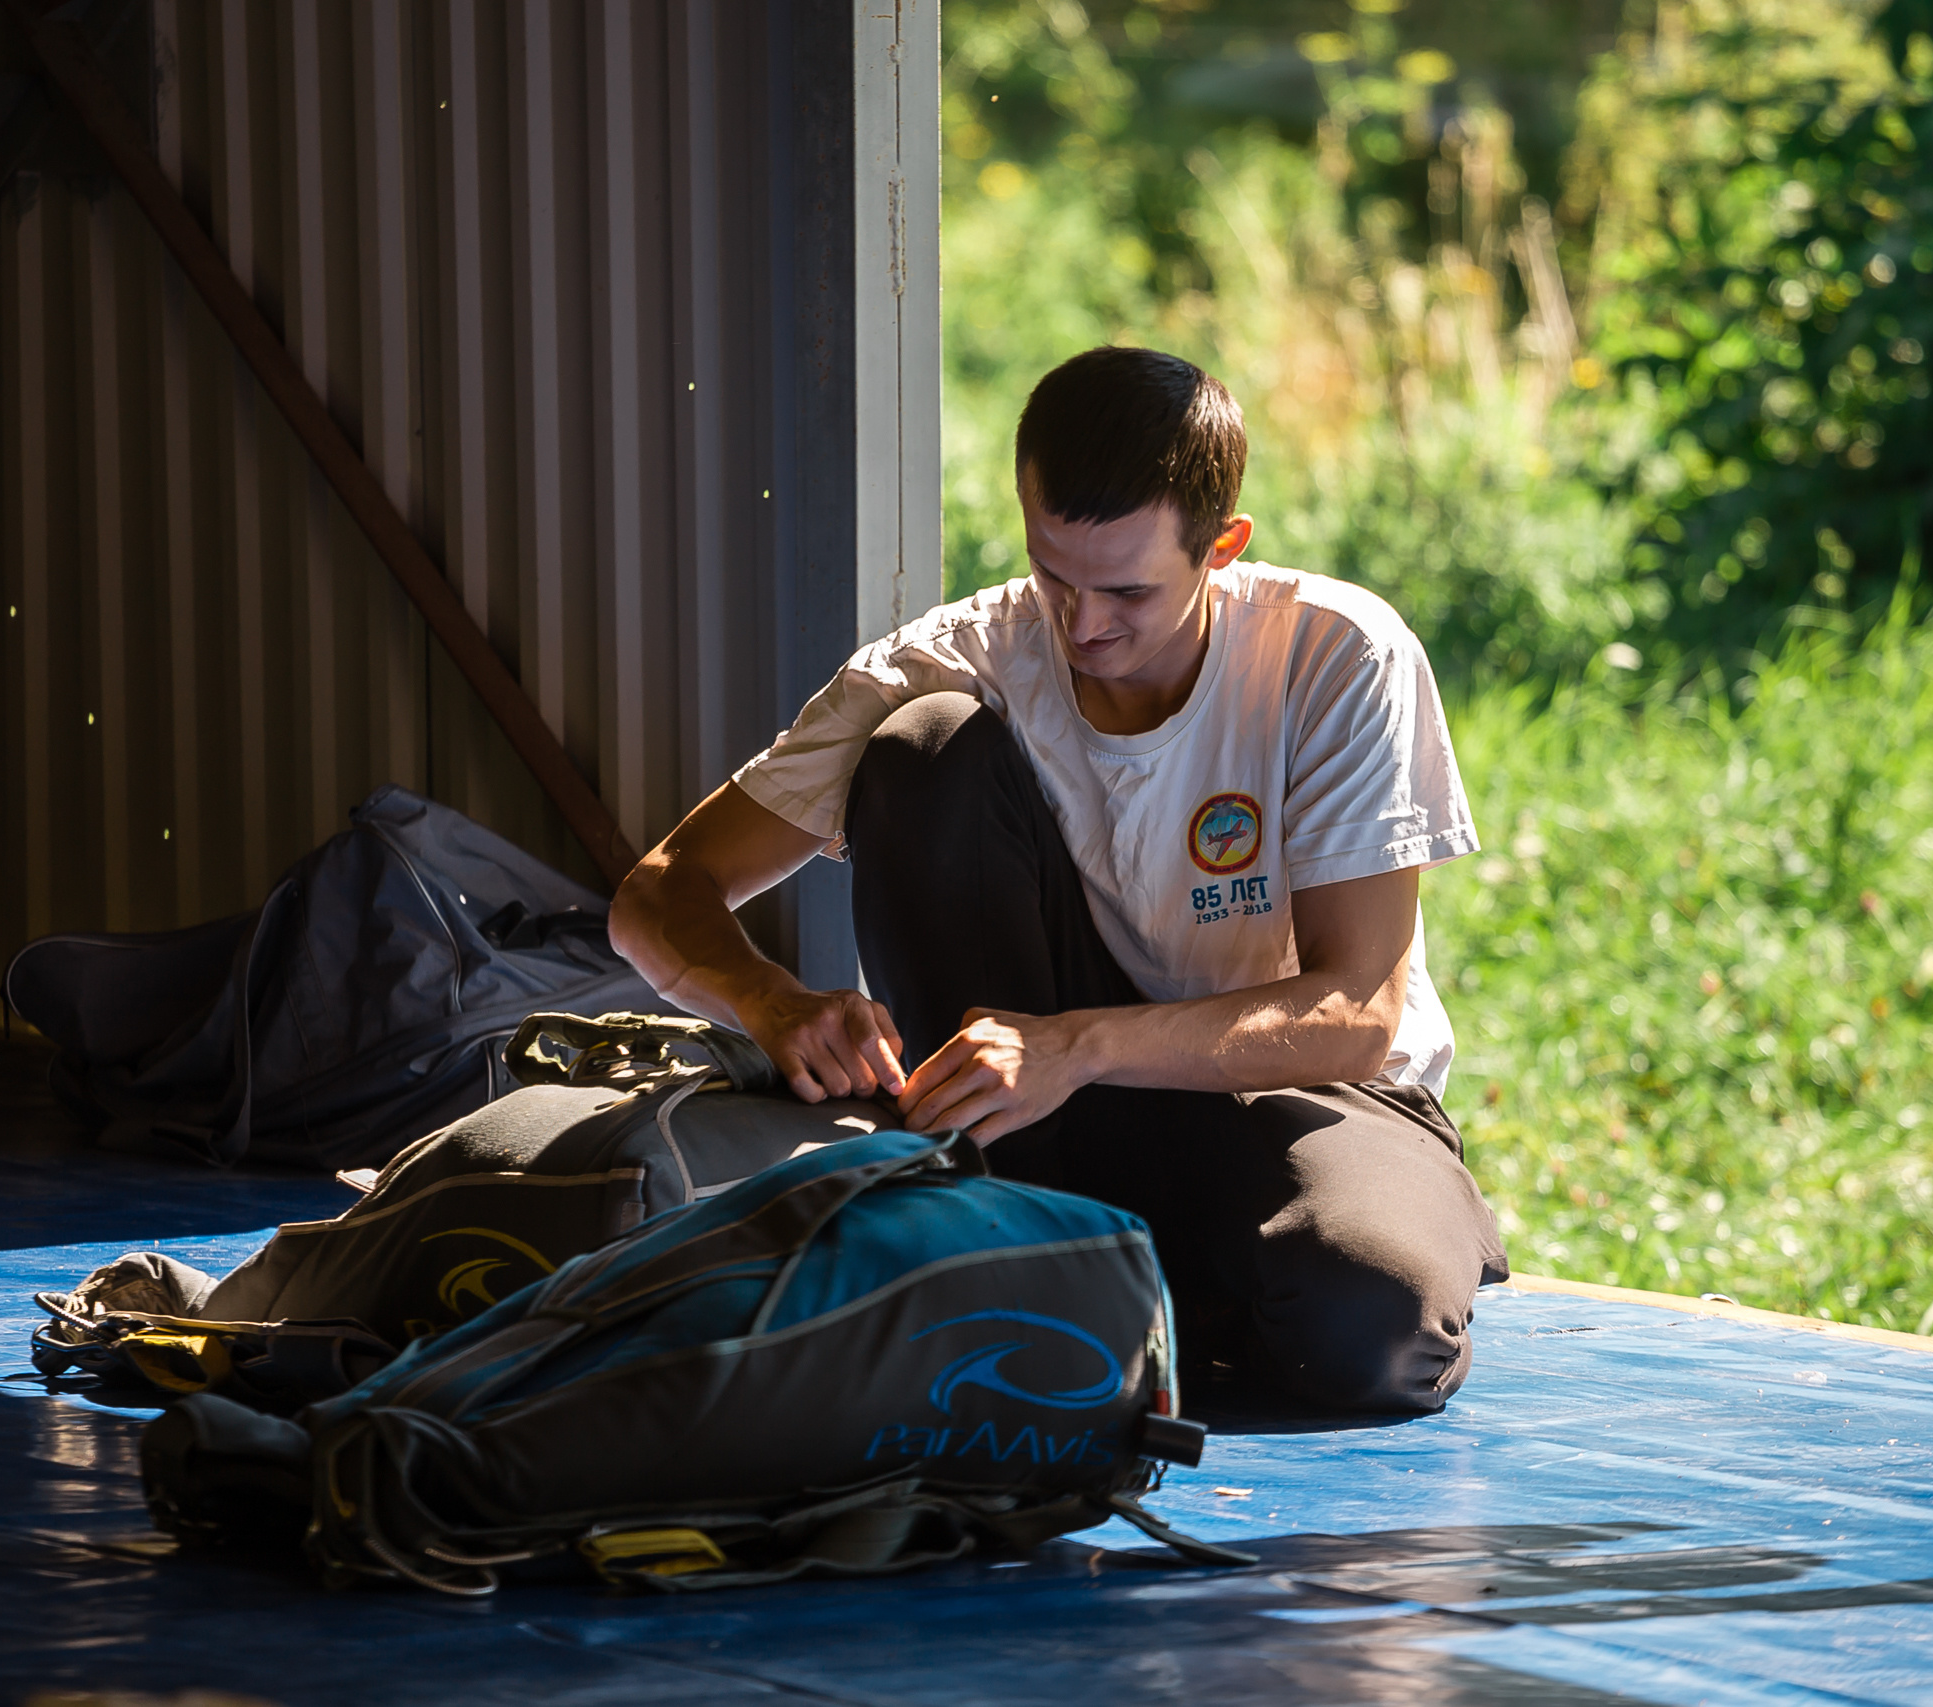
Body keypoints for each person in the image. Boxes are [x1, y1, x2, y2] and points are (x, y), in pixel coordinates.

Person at [609, 346, 1507, 1412]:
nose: (1083, 627)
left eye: (1128, 590)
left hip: (1302, 1094)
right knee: (922, 743)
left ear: (1222, 548)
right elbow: (657, 894)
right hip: (1041, 1120)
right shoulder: (955, 655)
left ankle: (1139, 1279)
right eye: (1054, 575)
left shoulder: (1338, 655)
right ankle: (1031, 1227)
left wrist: (1077, 1045)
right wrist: (773, 1002)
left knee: (1369, 1322)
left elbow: (1354, 1016)